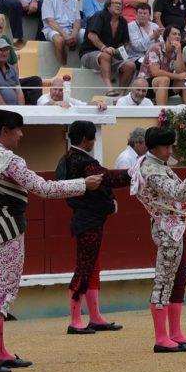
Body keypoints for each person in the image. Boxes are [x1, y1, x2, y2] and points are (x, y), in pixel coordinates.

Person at [0, 110, 102, 372]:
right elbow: (43, 188)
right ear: (6, 130)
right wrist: (82, 185)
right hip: (7, 229)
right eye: (18, 129)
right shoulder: (10, 161)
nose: (21, 134)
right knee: (4, 292)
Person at [130, 127, 186, 353]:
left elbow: (181, 189)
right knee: (164, 279)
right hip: (166, 228)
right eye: (167, 147)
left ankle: (175, 333)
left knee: (178, 278)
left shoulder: (157, 164)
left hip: (174, 226)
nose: (170, 151)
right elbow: (177, 192)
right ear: (154, 148)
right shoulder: (150, 169)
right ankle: (161, 337)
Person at [57, 121, 131, 335]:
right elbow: (106, 178)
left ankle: (95, 317)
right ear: (85, 139)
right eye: (93, 138)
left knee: (92, 266)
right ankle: (75, 319)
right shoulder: (83, 161)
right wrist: (132, 173)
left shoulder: (68, 159)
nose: (94, 141)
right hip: (87, 219)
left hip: (87, 218)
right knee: (85, 266)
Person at [0, 13, 42, 105]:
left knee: (35, 80)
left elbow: (14, 63)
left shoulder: (5, 39)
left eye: (0, 28)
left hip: (8, 78)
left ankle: (34, 111)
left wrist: (14, 81)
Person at [42, 0, 83, 67]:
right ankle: (64, 66)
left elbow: (77, 20)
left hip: (70, 29)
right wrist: (65, 35)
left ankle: (84, 66)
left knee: (87, 35)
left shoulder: (74, 1)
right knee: (59, 40)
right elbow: (50, 21)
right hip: (52, 29)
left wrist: (74, 34)